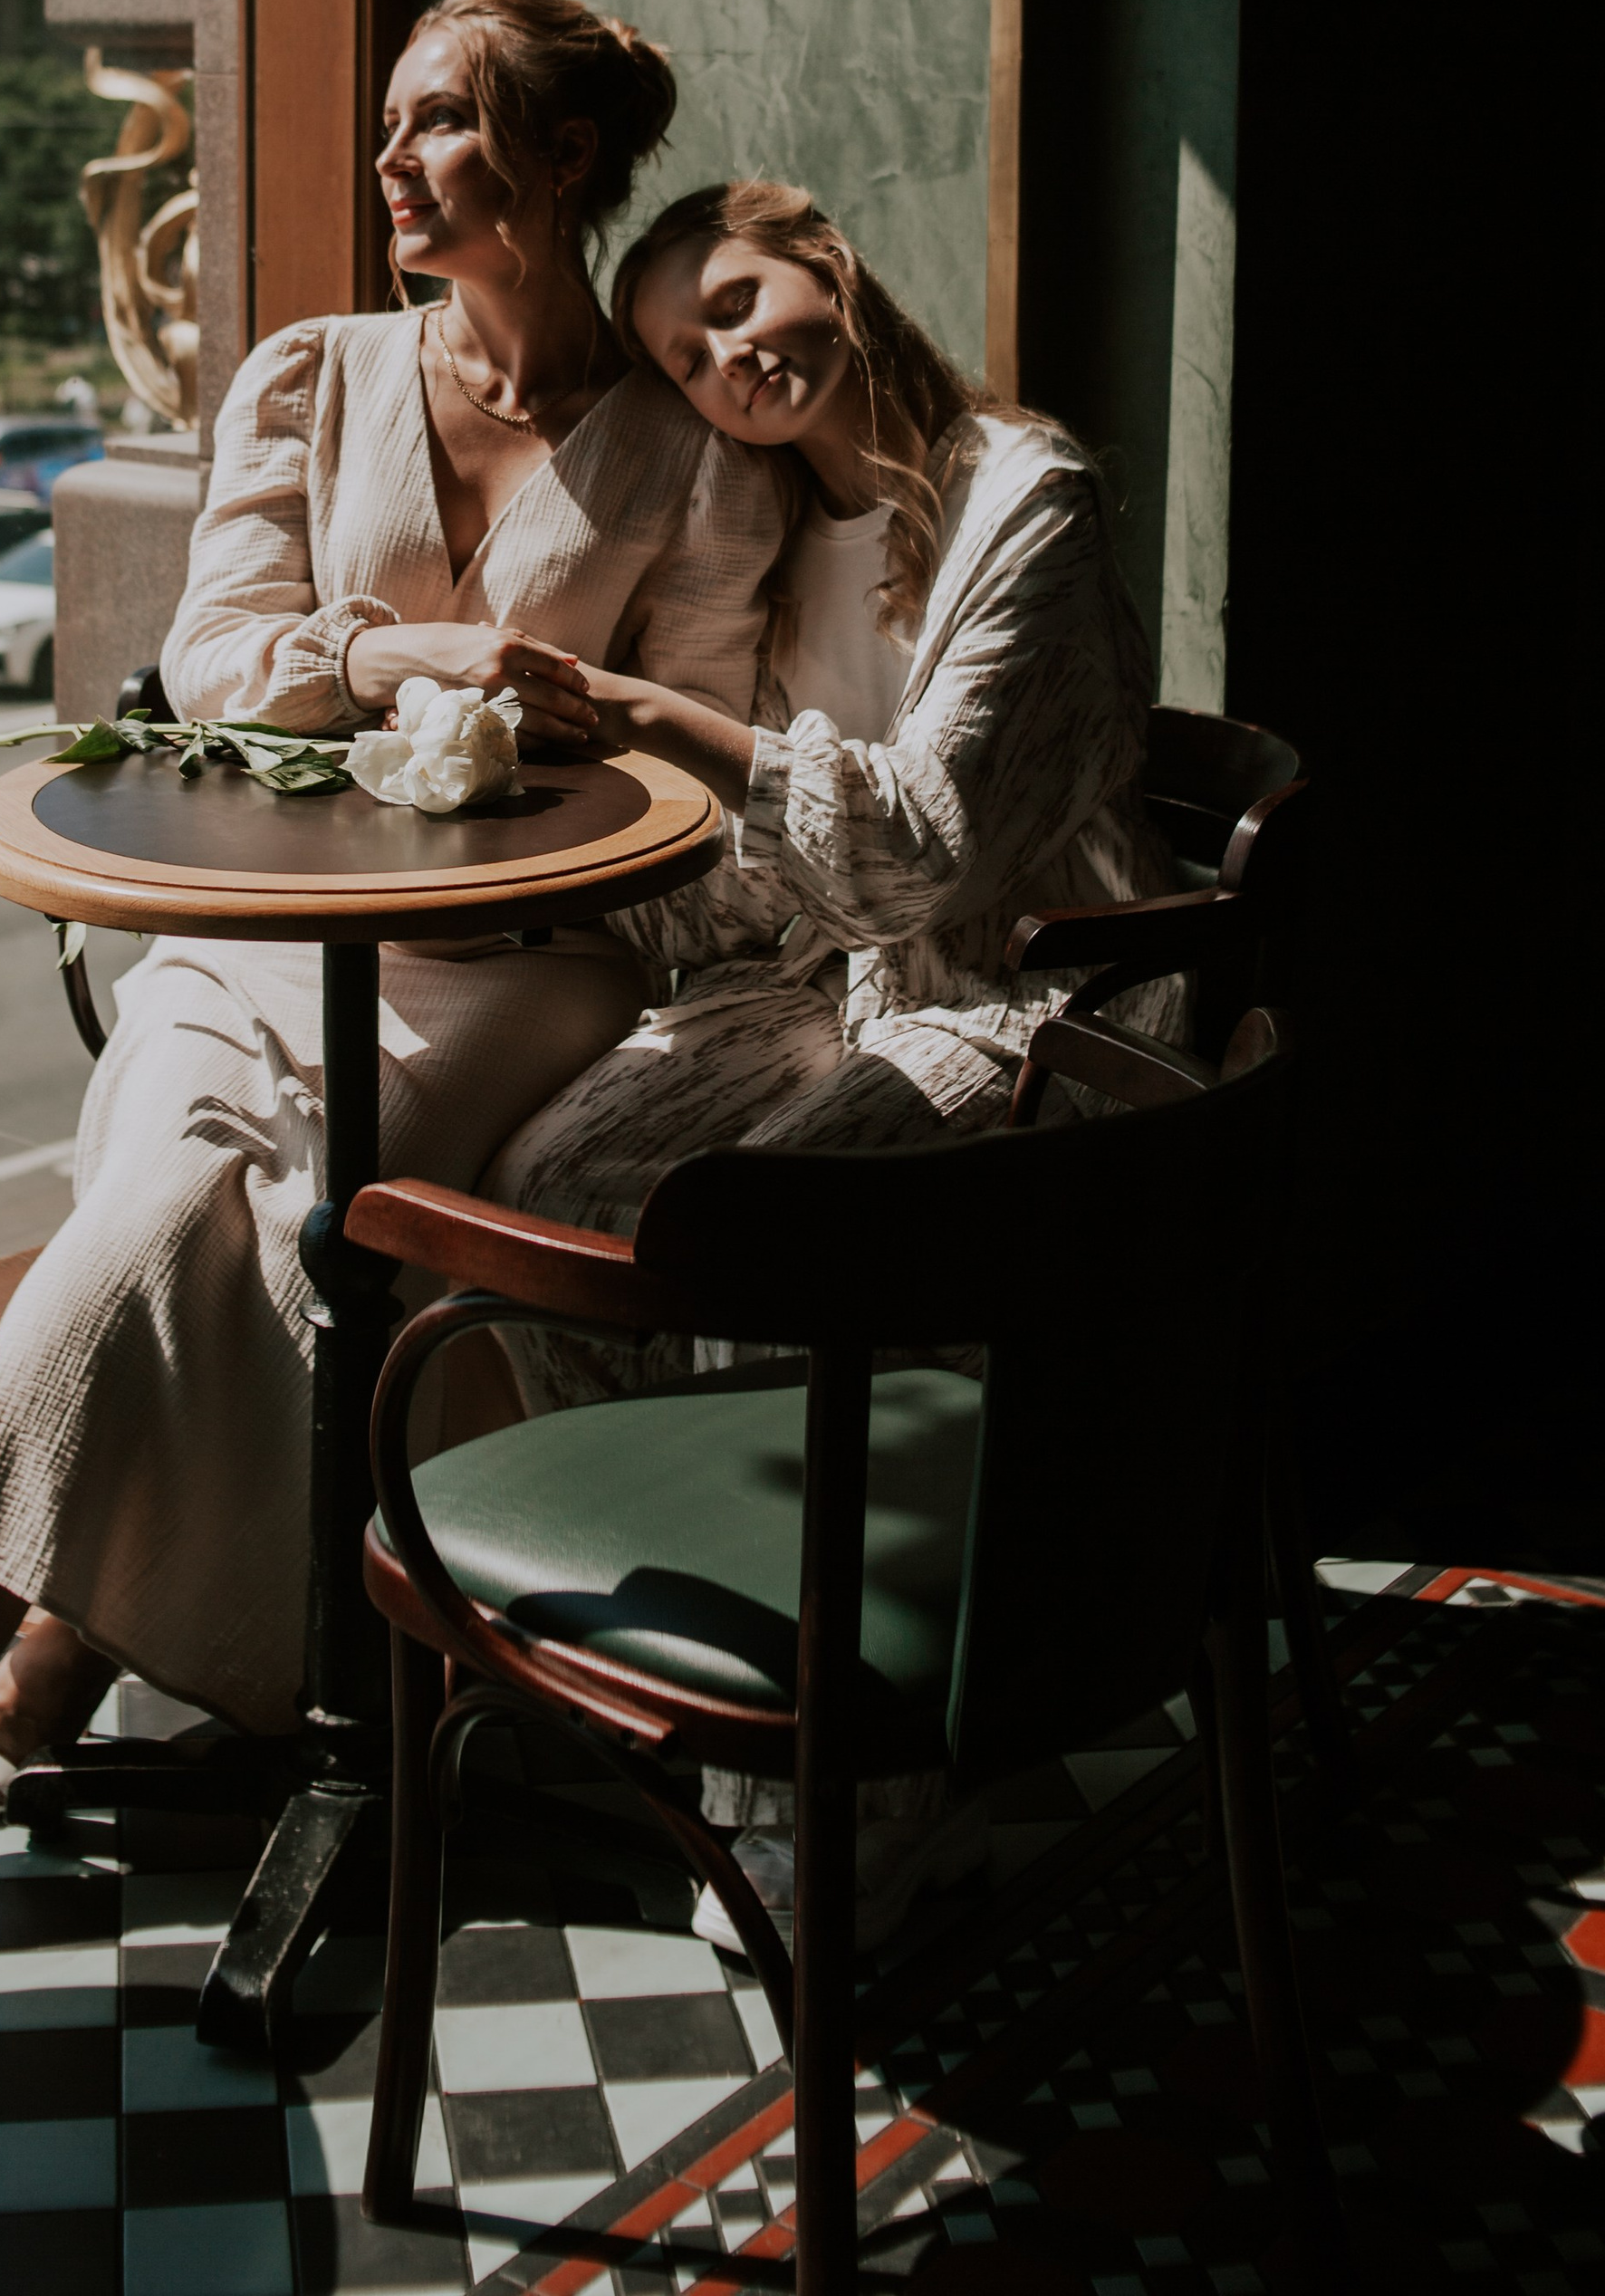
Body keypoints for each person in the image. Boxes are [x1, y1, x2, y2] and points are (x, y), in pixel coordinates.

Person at [0, 0, 785, 1982]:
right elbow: (219, 668)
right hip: (254, 944)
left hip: (525, 967)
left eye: (436, 124)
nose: (392, 160)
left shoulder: (693, 449)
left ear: (560, 162)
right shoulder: (312, 378)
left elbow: (696, 763)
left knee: (301, 1214)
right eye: (392, 120)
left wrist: (564, 718)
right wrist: (406, 662)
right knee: (181, 1195)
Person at [479, 179, 1174, 1954]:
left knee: (769, 1224)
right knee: (550, 1183)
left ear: (825, 264)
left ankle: (855, 1776)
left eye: (730, 302)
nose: (720, 363)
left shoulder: (1027, 492)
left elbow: (933, 848)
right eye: (677, 355)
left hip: (1037, 1011)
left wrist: (673, 725)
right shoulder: (781, 525)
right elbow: (781, 871)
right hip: (847, 980)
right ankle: (707, 1660)